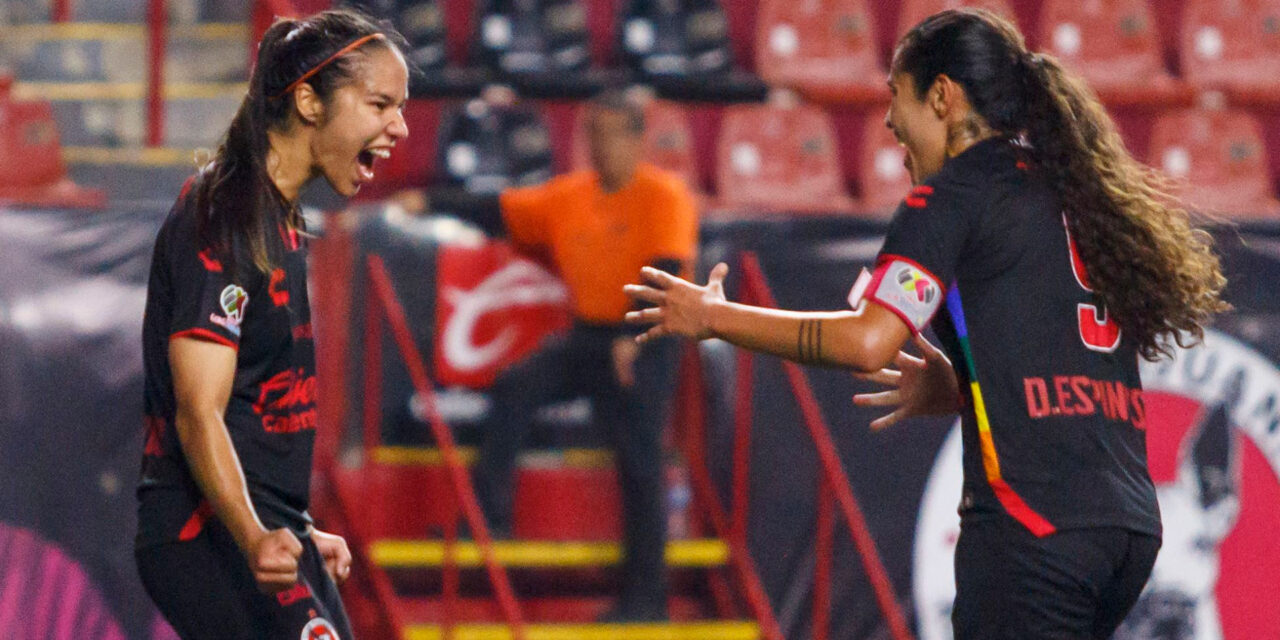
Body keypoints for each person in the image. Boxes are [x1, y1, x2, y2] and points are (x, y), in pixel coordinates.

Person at [625, 9, 1228, 639]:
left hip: (1034, 527)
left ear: (942, 97)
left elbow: (867, 341)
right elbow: (1053, 353)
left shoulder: (950, 199)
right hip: (1126, 530)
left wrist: (716, 317)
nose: (887, 120)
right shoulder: (1074, 192)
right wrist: (966, 384)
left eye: (896, 96)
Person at [134, 10, 409, 638]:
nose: (399, 126)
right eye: (379, 104)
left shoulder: (274, 216)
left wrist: (300, 528)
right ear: (309, 101)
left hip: (264, 530)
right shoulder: (224, 215)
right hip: (205, 535)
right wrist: (255, 534)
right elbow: (198, 411)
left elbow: (252, 408)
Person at [402, 89, 697, 621]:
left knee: (641, 459)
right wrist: (426, 201)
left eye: (611, 135)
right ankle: (489, 517)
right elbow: (498, 209)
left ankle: (647, 598)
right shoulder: (569, 196)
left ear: (637, 139)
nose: (601, 147)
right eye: (593, 136)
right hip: (589, 334)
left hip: (650, 333)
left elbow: (669, 270)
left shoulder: (664, 195)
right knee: (517, 383)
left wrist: (635, 338)